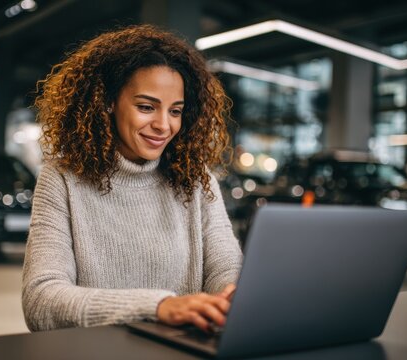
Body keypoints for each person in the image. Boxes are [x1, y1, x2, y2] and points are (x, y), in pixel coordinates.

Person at [22, 24, 243, 333]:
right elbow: (41, 301)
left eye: (175, 111)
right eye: (146, 107)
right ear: (108, 102)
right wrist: (158, 307)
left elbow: (225, 267)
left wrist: (232, 295)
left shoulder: (194, 179)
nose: (163, 125)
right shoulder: (62, 179)